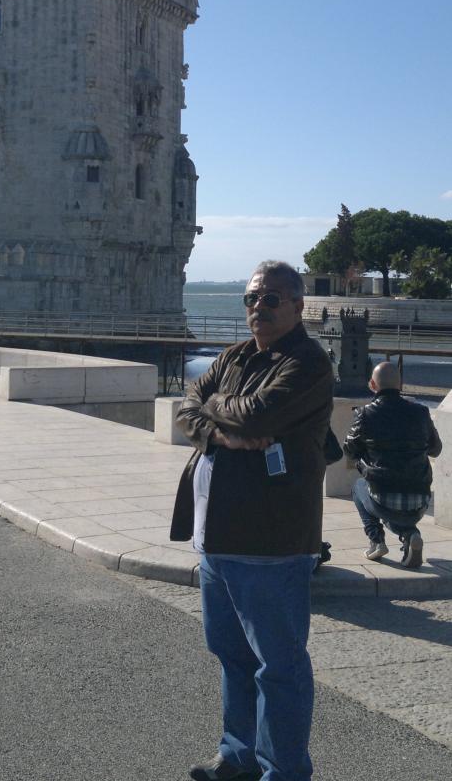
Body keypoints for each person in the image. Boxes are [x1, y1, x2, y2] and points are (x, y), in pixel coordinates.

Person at [170, 261, 333, 781]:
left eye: (271, 299)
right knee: (233, 658)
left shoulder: (307, 361)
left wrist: (215, 405)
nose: (257, 308)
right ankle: (238, 757)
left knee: (279, 667)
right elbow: (186, 407)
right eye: (251, 299)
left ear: (298, 306)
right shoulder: (236, 355)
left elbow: (258, 416)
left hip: (271, 539)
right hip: (215, 533)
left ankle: (283, 772)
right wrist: (220, 429)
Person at [343, 361, 442, 568]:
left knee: (359, 488)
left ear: (372, 384)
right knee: (397, 506)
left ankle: (376, 541)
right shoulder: (421, 413)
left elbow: (349, 450)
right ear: (400, 384)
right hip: (420, 500)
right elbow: (435, 449)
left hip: (384, 498)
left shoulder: (365, 414)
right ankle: (410, 534)